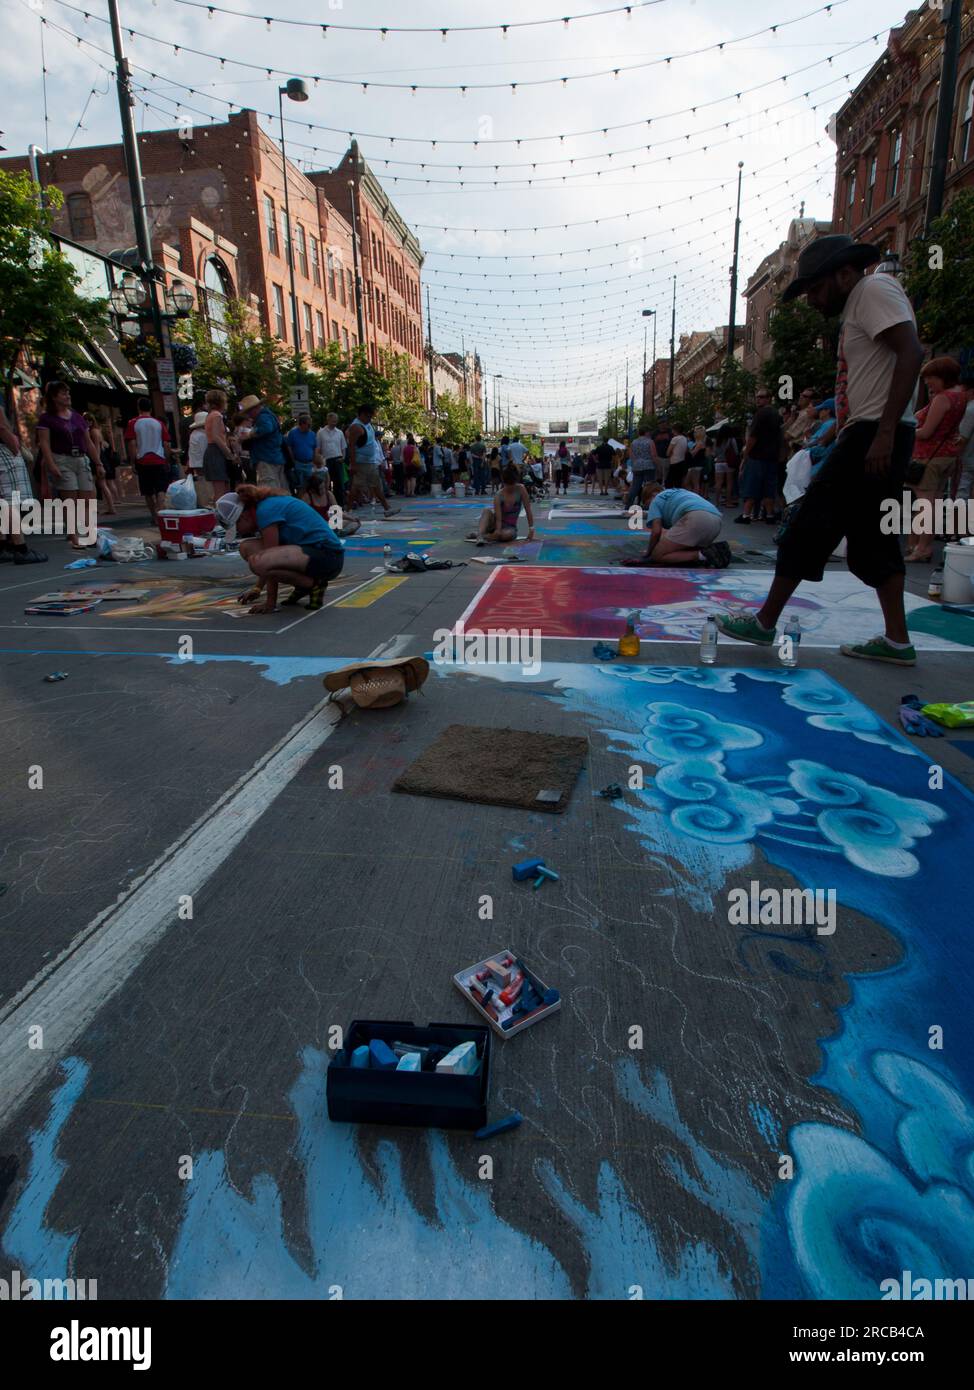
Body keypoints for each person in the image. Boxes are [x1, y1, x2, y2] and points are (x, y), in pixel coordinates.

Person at [716, 233, 924, 666]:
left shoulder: (873, 289)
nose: (810, 299)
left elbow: (911, 352)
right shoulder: (858, 304)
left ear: (844, 273)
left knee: (807, 525)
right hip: (867, 431)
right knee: (875, 540)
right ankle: (898, 641)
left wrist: (884, 432)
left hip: (873, 432)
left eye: (815, 287)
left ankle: (765, 622)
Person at [222, 484, 345, 613]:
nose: (239, 533)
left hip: (328, 556)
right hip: (312, 554)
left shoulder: (265, 511)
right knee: (247, 547)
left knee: (259, 561)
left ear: (243, 517)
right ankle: (304, 584)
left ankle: (313, 584)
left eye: (237, 529)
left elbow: (268, 559)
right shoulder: (263, 506)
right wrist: (257, 589)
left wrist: (270, 603)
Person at [906, 356, 966, 563]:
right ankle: (919, 544)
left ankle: (922, 547)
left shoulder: (942, 399)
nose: (927, 382)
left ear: (942, 376)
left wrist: (904, 430)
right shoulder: (960, 396)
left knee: (925, 505)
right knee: (934, 503)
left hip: (929, 456)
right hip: (946, 456)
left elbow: (926, 432)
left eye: (930, 377)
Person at [36, 382, 103, 544]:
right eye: (63, 393)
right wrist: (51, 464)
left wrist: (98, 463)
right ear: (53, 397)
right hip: (62, 459)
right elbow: (44, 443)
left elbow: (88, 442)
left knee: (87, 498)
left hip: (81, 459)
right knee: (70, 500)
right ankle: (73, 535)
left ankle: (90, 532)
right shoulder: (46, 418)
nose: (67, 396)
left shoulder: (77, 417)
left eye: (68, 393)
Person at [622, 482, 729, 567]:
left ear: (652, 495)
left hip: (695, 519)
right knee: (680, 550)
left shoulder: (657, 500)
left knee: (658, 555)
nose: (650, 509)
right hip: (716, 521)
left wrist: (649, 552)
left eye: (647, 505)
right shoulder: (678, 492)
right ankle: (709, 552)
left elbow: (656, 531)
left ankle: (704, 555)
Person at [0, 405, 47, 564]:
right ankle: (21, 548)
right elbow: (1, 426)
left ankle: (3, 547)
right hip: (3, 451)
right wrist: (14, 445)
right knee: (10, 501)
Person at [735, 389, 782, 523]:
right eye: (757, 397)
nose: (758, 399)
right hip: (772, 457)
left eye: (761, 397)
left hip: (757, 456)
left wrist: (745, 454)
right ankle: (769, 515)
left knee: (751, 485)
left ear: (769, 398)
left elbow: (753, 437)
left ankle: (746, 515)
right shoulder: (776, 415)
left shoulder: (760, 414)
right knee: (769, 487)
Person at [346, 404, 399, 516]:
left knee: (375, 485)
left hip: (370, 461)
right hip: (362, 462)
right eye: (367, 416)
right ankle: (348, 511)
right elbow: (351, 446)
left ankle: (387, 508)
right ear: (361, 415)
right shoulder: (356, 427)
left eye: (370, 417)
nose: (369, 419)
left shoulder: (367, 424)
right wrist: (353, 464)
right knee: (356, 486)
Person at [466, 463, 536, 545]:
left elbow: (528, 510)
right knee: (486, 511)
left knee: (507, 535)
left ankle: (482, 535)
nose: (510, 488)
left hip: (509, 528)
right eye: (508, 486)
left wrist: (531, 529)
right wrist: (497, 531)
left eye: (512, 486)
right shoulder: (499, 495)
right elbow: (498, 519)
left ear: (516, 481)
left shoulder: (521, 489)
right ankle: (481, 534)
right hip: (495, 523)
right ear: (503, 482)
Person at [238, 394, 287, 490]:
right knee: (279, 487)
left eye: (248, 412)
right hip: (273, 457)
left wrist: (249, 435)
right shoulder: (268, 415)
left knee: (268, 488)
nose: (248, 415)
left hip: (266, 458)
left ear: (254, 409)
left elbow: (266, 428)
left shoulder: (263, 417)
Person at [201, 389, 234, 503]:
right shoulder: (217, 416)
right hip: (216, 452)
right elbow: (216, 437)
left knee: (220, 488)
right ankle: (220, 517)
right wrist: (229, 454)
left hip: (212, 451)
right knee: (220, 490)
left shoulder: (210, 415)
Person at [315, 411, 347, 507]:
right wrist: (319, 461)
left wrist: (343, 458)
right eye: (333, 421)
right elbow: (318, 447)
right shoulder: (321, 432)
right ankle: (327, 504)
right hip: (326, 460)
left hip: (337, 459)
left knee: (339, 484)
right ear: (328, 420)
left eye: (336, 421)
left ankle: (340, 505)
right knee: (326, 484)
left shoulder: (340, 432)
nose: (334, 423)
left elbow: (343, 447)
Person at [285, 412, 318, 500]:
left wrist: (314, 461)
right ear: (302, 424)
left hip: (309, 463)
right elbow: (289, 447)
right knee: (300, 486)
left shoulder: (312, 434)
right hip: (298, 463)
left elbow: (315, 448)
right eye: (308, 425)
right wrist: (293, 460)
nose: (310, 427)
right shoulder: (293, 433)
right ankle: (300, 502)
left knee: (310, 485)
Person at [626, 425, 658, 507]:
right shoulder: (650, 442)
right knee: (649, 486)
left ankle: (629, 504)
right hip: (649, 465)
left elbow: (631, 456)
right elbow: (653, 455)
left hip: (637, 466)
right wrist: (657, 465)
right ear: (647, 432)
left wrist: (635, 464)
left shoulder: (633, 442)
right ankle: (648, 504)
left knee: (635, 486)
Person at [185, 410, 212, 507]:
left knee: (200, 482)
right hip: (203, 462)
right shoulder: (203, 435)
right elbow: (206, 450)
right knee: (207, 484)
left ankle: (202, 502)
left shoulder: (193, 434)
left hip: (195, 463)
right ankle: (208, 503)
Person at [956, 371, 974, 503]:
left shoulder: (970, 409)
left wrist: (954, 457)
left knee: (961, 496)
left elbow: (962, 438)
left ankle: (958, 524)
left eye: (962, 390)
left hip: (967, 460)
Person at [712, 423, 738, 508]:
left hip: (718, 463)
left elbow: (714, 453)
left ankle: (717, 502)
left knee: (718, 483)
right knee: (729, 483)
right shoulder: (731, 439)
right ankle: (728, 502)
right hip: (728, 462)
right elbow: (736, 452)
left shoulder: (717, 440)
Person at [685, 427, 709, 495]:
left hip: (696, 465)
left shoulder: (700, 443)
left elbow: (693, 454)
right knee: (688, 483)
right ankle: (694, 496)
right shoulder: (698, 442)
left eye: (695, 432)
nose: (694, 433)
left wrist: (688, 450)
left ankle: (696, 498)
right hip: (695, 465)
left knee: (695, 484)